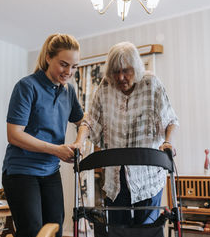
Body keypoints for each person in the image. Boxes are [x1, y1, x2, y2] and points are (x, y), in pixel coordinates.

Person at [77, 42, 179, 226]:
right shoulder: (105, 86)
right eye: (116, 71)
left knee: (146, 234)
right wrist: (79, 143)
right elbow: (90, 121)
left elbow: (170, 120)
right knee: (118, 234)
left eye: (126, 71)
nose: (121, 77)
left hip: (147, 177)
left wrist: (168, 142)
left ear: (136, 68)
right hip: (116, 179)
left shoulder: (151, 83)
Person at [2, 34, 86, 237]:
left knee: (55, 232)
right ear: (49, 57)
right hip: (21, 171)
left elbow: (83, 121)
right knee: (32, 232)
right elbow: (14, 134)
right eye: (64, 64)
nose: (69, 72)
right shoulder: (27, 86)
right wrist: (56, 150)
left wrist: (79, 142)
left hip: (49, 172)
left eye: (74, 67)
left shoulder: (68, 91)